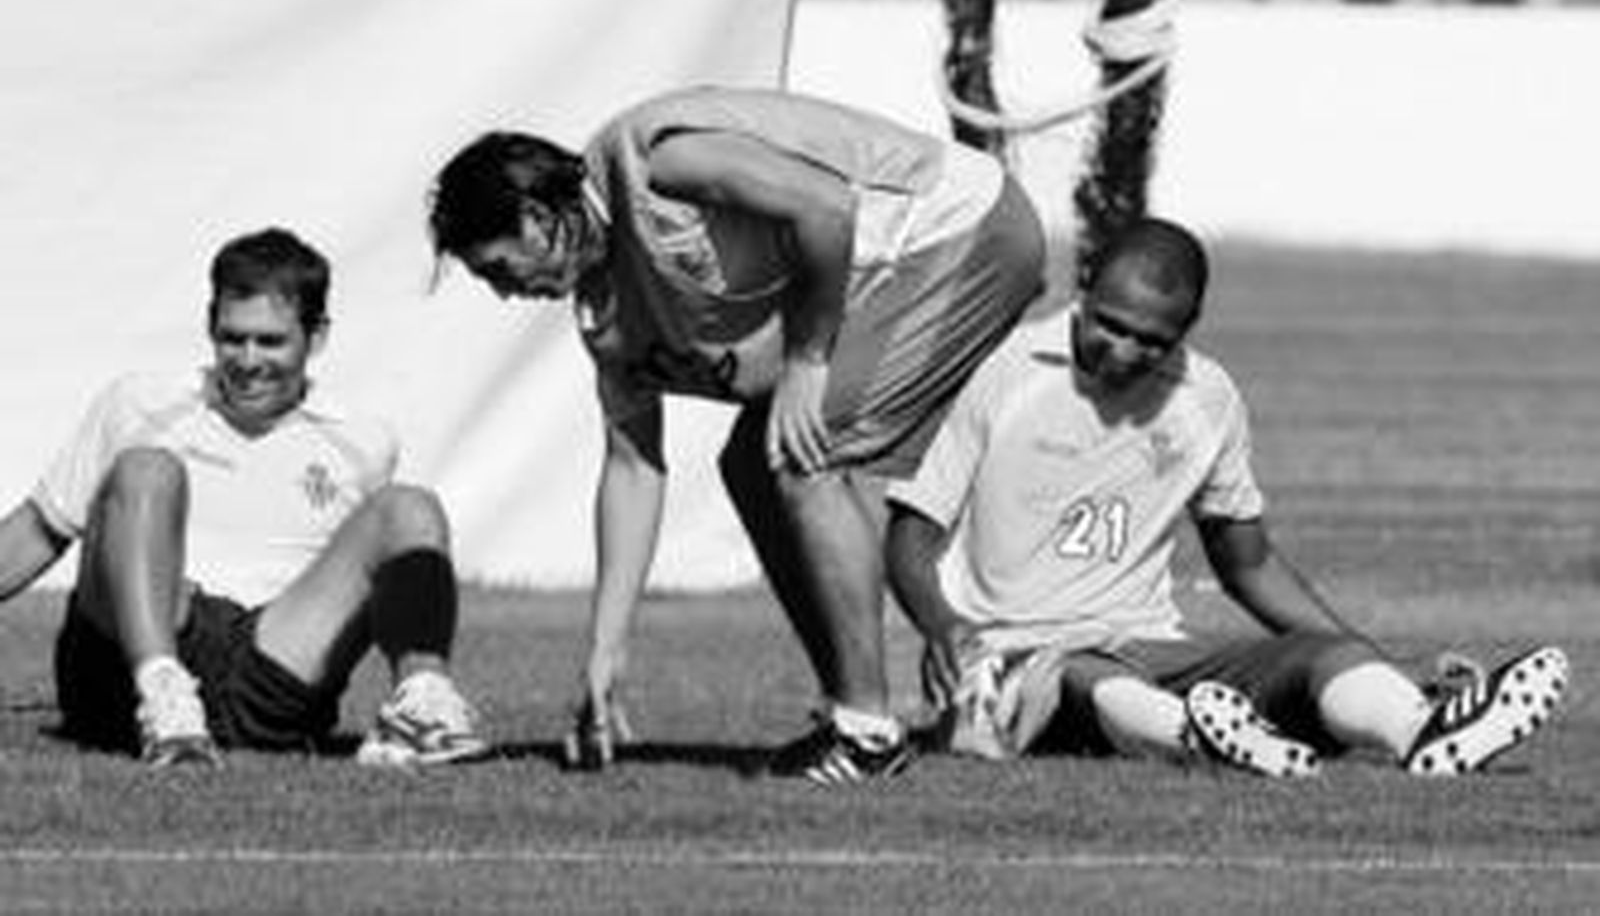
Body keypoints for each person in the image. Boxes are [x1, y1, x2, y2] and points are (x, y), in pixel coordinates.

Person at [427, 85, 1046, 783]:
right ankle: (850, 709)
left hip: (967, 229)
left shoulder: (658, 159)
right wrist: (605, 650)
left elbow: (825, 205)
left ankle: (870, 732)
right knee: (752, 461)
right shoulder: (604, 311)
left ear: (539, 218)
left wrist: (809, 360)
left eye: (499, 269)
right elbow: (633, 466)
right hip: (909, 268)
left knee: (800, 454)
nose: (506, 292)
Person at [884, 217, 1570, 777]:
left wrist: (1370, 652)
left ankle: (1422, 729)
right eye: (1110, 325)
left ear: (1189, 326)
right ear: (1085, 287)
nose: (1123, 351)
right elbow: (911, 534)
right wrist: (945, 627)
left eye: (1150, 341)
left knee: (1316, 654)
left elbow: (1248, 564)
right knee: (1086, 674)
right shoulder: (1002, 372)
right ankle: (1199, 737)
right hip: (1013, 656)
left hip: (1148, 644)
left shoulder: (1207, 398)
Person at [0, 228, 488, 767]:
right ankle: (164, 695)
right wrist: (159, 671)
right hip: (131, 663)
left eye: (271, 341)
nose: (249, 360)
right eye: (233, 338)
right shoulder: (138, 402)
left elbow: (377, 591)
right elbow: (38, 531)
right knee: (148, 469)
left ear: (316, 336)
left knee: (410, 508)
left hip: (272, 663)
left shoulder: (364, 439)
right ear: (211, 328)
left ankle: (424, 706)